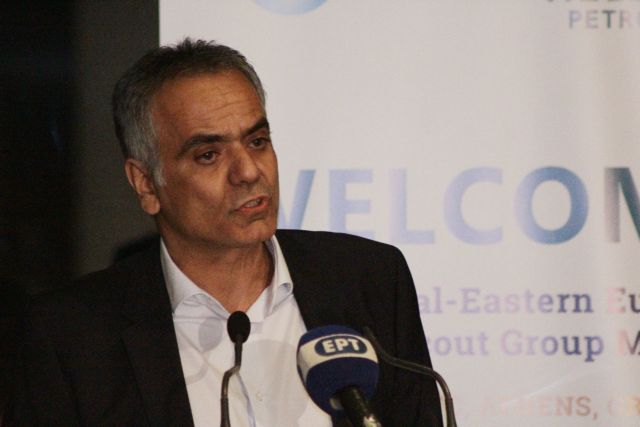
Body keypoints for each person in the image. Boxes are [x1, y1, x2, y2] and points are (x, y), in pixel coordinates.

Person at [9, 39, 443, 426]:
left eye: (257, 142)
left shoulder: (370, 280)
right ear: (146, 184)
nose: (249, 172)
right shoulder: (71, 337)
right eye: (209, 155)